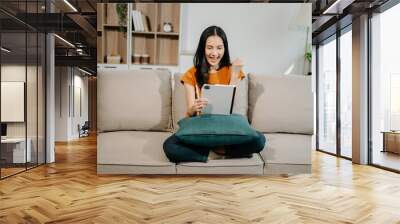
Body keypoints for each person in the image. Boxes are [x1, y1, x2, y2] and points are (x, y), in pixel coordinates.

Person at [163, 25, 266, 163]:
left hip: (225, 125)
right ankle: (214, 154)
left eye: (219, 47)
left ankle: (216, 151)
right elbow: (189, 114)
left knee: (259, 140)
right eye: (210, 47)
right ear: (203, 48)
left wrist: (235, 74)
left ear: (225, 48)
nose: (214, 53)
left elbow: (230, 106)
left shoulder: (232, 69)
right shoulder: (191, 73)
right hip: (201, 127)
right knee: (169, 147)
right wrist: (194, 108)